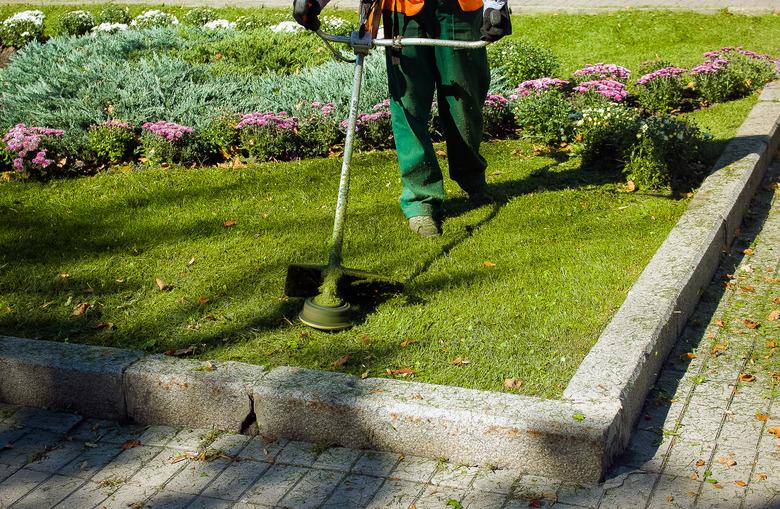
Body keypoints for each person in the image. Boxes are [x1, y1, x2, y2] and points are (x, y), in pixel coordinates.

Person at [294, 0, 511, 237]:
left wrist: (496, 5)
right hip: (403, 11)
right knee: (408, 104)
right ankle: (420, 199)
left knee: (465, 101)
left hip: (459, 9)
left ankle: (472, 178)